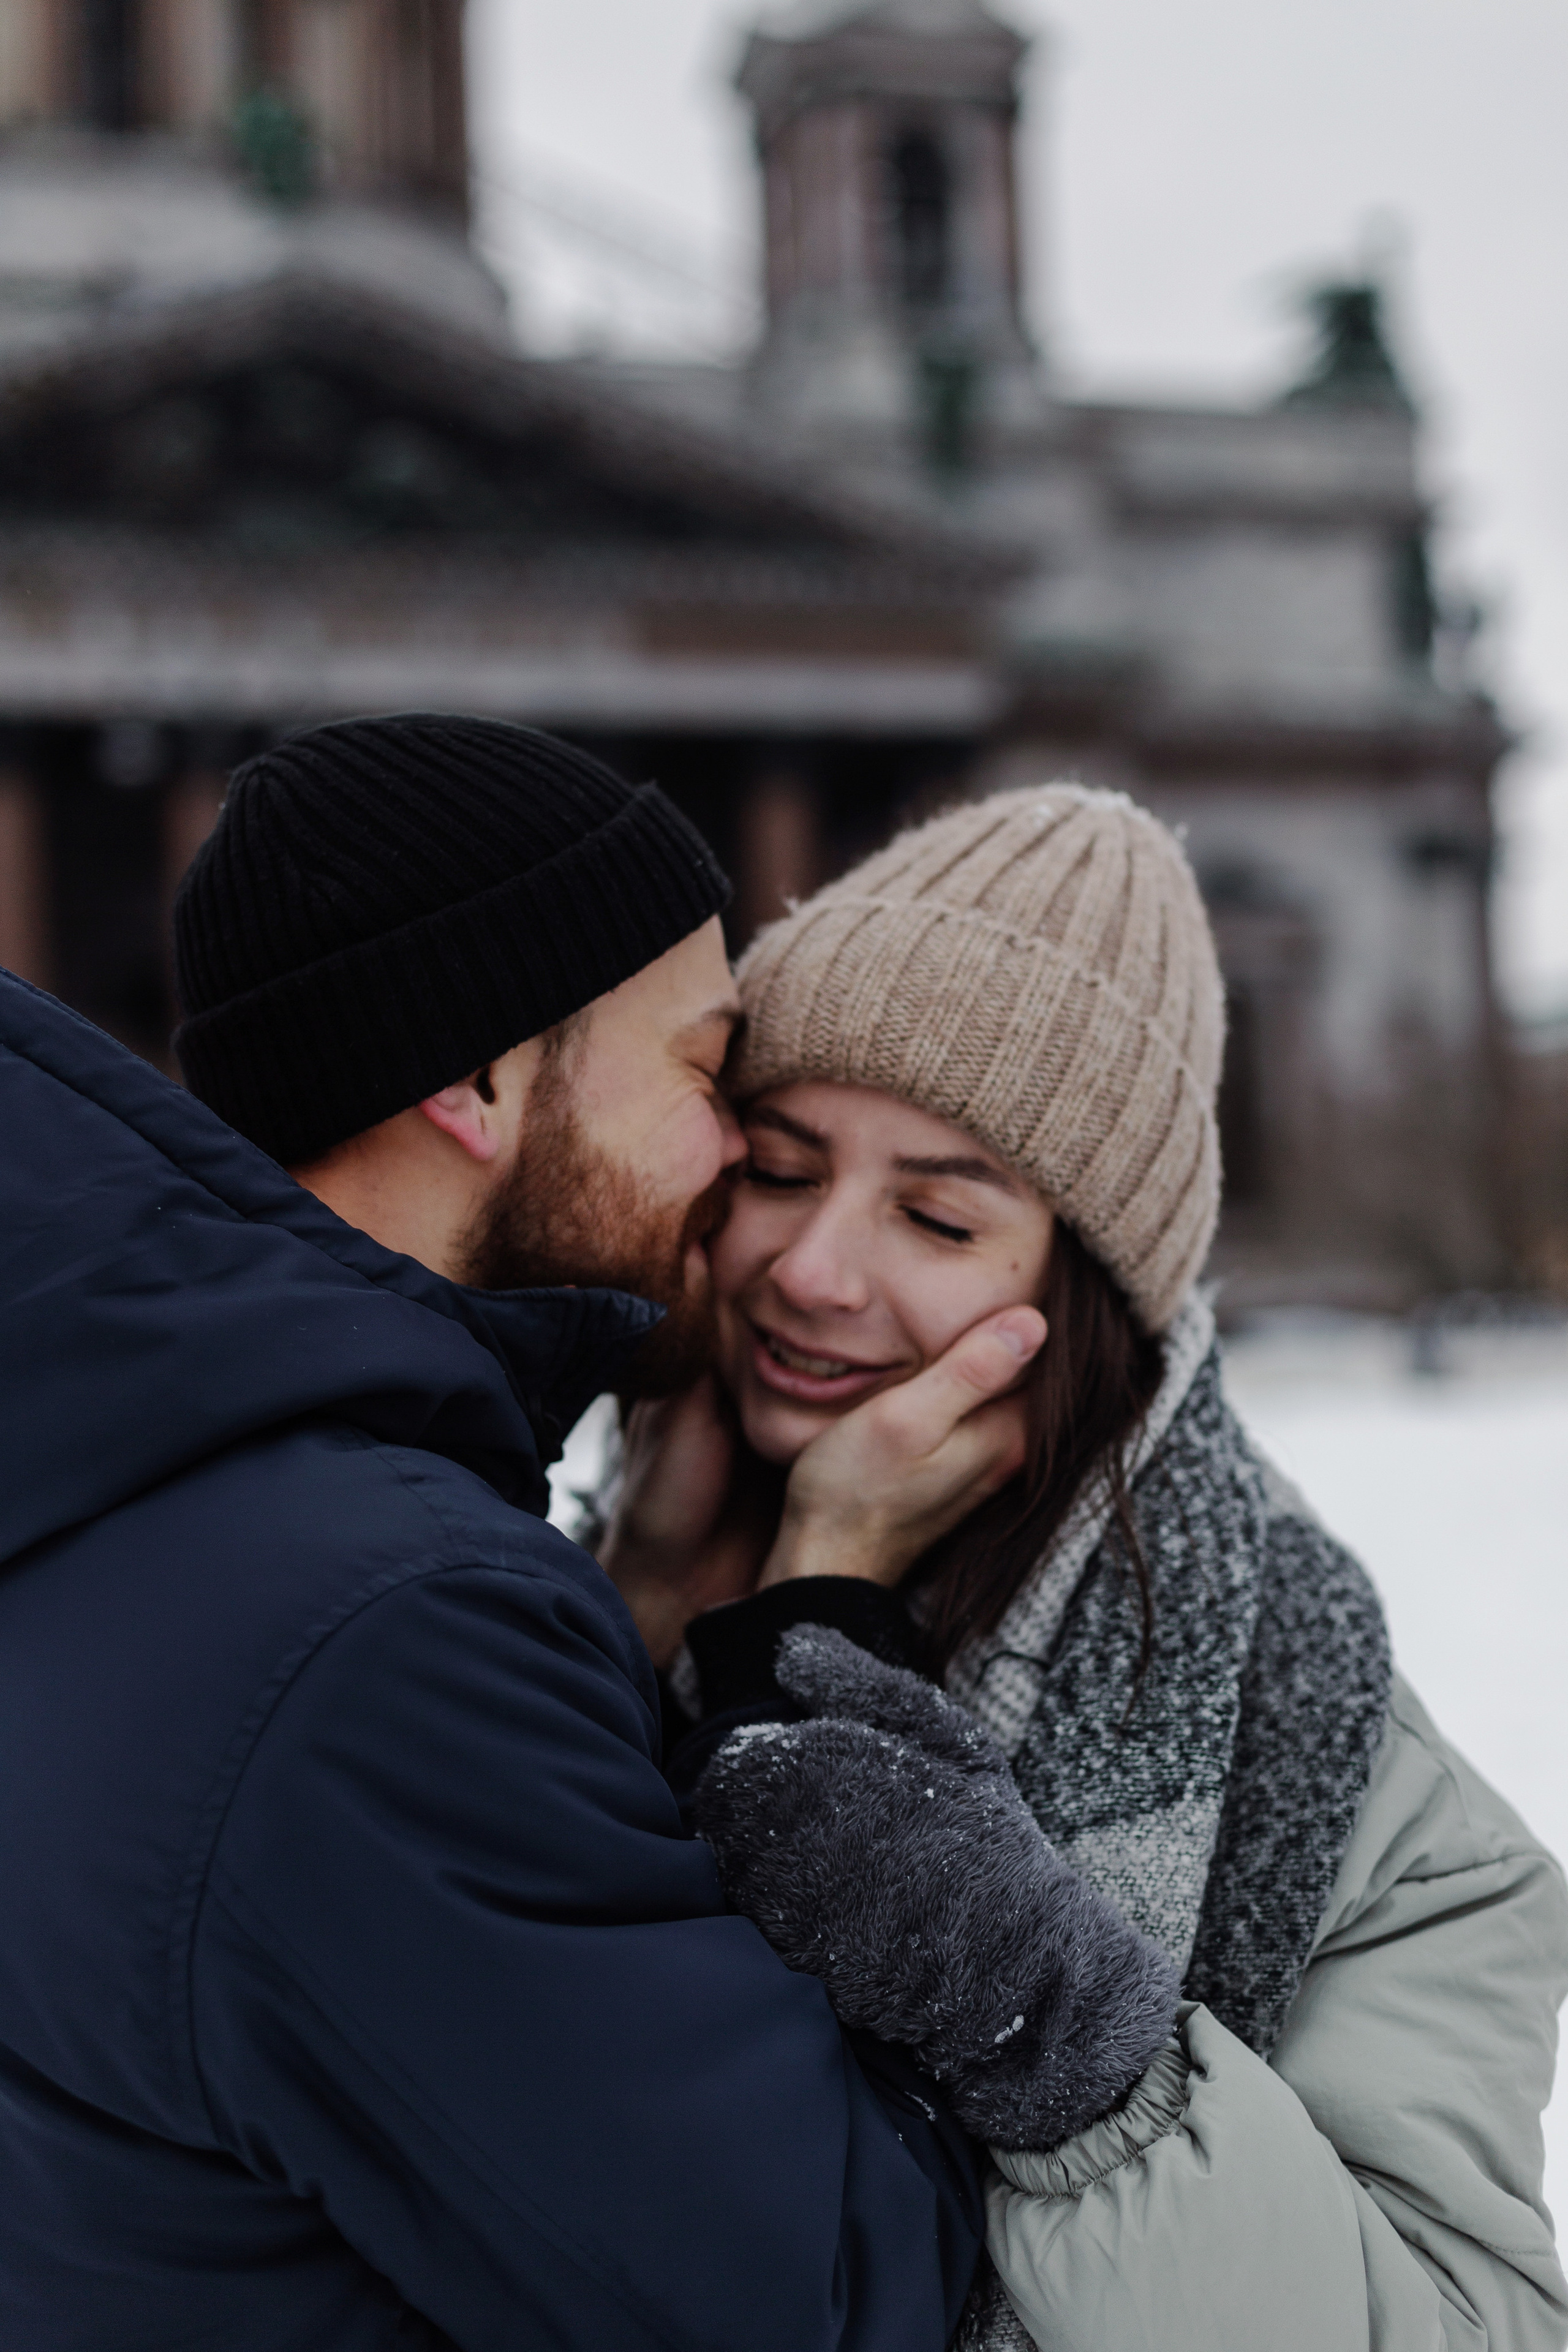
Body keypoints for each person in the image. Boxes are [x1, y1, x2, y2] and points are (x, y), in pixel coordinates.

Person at [0, 715, 1158, 2352]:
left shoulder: (139, 1486)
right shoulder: (375, 1638)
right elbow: (829, 2294)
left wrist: (621, 1624)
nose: (741, 1149)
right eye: (702, 1070)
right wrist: (808, 1636)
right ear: (472, 1081)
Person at [605, 782, 1568, 2352]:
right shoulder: (559, 1578)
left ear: (1081, 1292)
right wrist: (646, 1597)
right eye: (778, 1170)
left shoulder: (1365, 1802)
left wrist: (1035, 2005)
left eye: (933, 1212)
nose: (816, 1266)